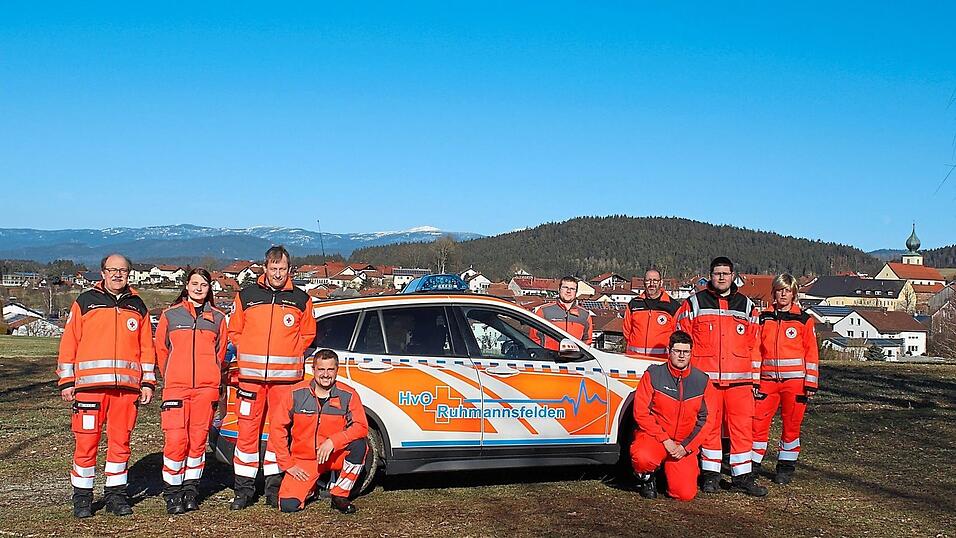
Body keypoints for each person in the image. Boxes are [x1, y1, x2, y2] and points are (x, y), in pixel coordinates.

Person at [56, 254, 157, 518]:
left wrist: (148, 383)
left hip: (126, 391)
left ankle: (115, 495)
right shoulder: (85, 302)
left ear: (129, 274)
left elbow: (147, 349)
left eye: (123, 271)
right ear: (102, 272)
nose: (117, 275)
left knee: (121, 443)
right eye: (112, 270)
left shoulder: (138, 306)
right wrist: (67, 381)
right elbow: (69, 343)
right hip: (90, 389)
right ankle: (82, 498)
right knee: (86, 444)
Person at [228, 246, 317, 510]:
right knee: (247, 434)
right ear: (264, 268)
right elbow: (234, 330)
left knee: (279, 434)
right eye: (273, 268)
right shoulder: (246, 296)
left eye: (282, 268)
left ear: (289, 269)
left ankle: (273, 488)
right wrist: (247, 351)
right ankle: (243, 491)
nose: (277, 273)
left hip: (285, 382)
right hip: (251, 380)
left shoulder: (301, 299)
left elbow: (307, 334)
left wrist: (289, 352)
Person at [674, 256, 767, 496]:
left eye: (726, 273)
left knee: (742, 429)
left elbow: (756, 345)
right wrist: (685, 374)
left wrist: (756, 379)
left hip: (740, 382)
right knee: (709, 428)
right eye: (717, 273)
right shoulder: (694, 303)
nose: (722, 277)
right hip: (707, 382)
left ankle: (742, 478)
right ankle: (711, 476)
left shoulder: (746, 306)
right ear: (710, 276)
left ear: (733, 275)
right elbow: (680, 339)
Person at [154, 268, 228, 514]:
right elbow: (161, 351)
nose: (198, 288)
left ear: (209, 289)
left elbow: (220, 354)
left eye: (203, 284)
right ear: (186, 286)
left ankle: (190, 491)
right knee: (176, 441)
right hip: (176, 388)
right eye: (194, 283)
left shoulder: (218, 318)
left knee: (197, 443)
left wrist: (212, 378)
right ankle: (172, 493)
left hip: (206, 391)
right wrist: (173, 376)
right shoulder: (170, 315)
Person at [270, 349, 368, 514]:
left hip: (335, 455)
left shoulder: (349, 395)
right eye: (321, 369)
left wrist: (333, 441)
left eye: (330, 369)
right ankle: (311, 488)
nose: (325, 374)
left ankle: (340, 495)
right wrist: (287, 464)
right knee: (288, 506)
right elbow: (277, 428)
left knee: (360, 446)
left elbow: (361, 427)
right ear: (313, 369)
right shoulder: (295, 393)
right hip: (304, 460)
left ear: (337, 370)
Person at [630, 331, 715, 501]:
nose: (682, 356)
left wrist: (686, 447)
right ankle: (647, 478)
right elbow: (641, 412)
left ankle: (667, 475)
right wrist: (664, 439)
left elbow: (707, 420)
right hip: (656, 438)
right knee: (643, 457)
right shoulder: (653, 375)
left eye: (686, 352)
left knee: (685, 494)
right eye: (677, 351)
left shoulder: (703, 381)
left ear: (691, 353)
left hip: (684, 444)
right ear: (669, 351)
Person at [752, 273, 819, 485]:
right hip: (767, 382)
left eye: (787, 290)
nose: (783, 294)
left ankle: (785, 467)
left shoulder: (804, 320)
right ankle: (752, 467)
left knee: (791, 426)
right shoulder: (763, 318)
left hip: (796, 383)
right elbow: (755, 350)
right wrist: (755, 380)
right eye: (780, 290)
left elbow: (811, 353)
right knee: (757, 425)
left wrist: (810, 382)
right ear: (774, 292)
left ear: (794, 294)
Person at [623, 268, 679, 359]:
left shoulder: (673, 306)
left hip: (661, 360)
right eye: (648, 280)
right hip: (634, 359)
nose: (652, 284)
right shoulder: (634, 304)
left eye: (655, 280)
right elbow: (627, 331)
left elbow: (677, 334)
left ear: (661, 282)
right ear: (644, 282)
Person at [529, 276, 593, 350]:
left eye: (572, 289)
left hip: (575, 360)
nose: (568, 291)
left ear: (576, 292)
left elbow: (587, 341)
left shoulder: (584, 315)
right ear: (559, 289)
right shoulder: (544, 311)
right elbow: (534, 338)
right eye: (565, 287)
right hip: (550, 359)